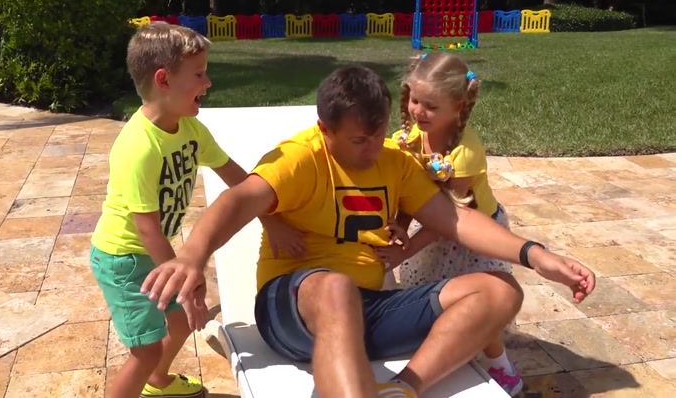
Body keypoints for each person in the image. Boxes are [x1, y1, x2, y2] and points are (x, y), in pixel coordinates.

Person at [138, 65, 596, 398]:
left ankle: (404, 388)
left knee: (500, 291)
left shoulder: (394, 161)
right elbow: (238, 200)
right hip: (292, 308)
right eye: (360, 140)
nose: (374, 149)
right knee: (335, 287)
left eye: (379, 136)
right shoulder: (301, 157)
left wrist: (536, 255)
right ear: (325, 128)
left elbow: (455, 219)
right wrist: (193, 255)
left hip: (367, 311)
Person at [89, 22, 297, 398]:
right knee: (146, 350)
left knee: (182, 321)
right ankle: (144, 377)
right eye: (199, 74)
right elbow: (148, 229)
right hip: (124, 260)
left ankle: (157, 382)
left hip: (152, 253)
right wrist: (187, 283)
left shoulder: (190, 130)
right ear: (164, 80)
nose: (209, 82)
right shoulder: (138, 147)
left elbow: (239, 180)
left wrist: (272, 219)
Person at [376, 52, 521, 395]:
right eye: (414, 100)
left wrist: (407, 248)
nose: (418, 111)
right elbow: (409, 192)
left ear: (457, 106)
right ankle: (443, 346)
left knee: (475, 303)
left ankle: (502, 367)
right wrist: (400, 227)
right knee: (434, 294)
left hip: (469, 233)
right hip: (436, 224)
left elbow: (454, 216)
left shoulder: (464, 152)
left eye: (431, 106)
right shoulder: (408, 137)